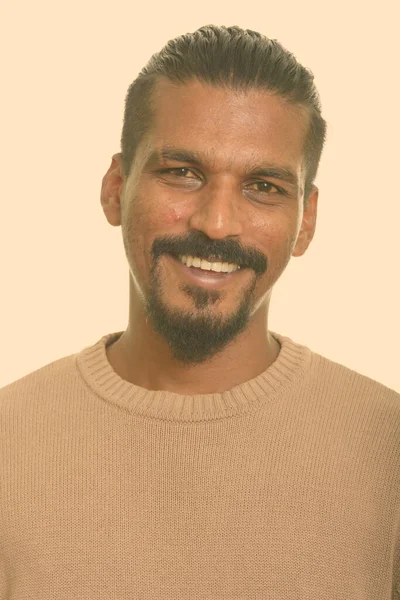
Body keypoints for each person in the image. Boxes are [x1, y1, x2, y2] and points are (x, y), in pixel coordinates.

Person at [1, 24, 399, 600]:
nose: (216, 223)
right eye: (182, 173)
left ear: (306, 220)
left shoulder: (387, 450)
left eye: (263, 186)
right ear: (116, 187)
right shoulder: (9, 442)